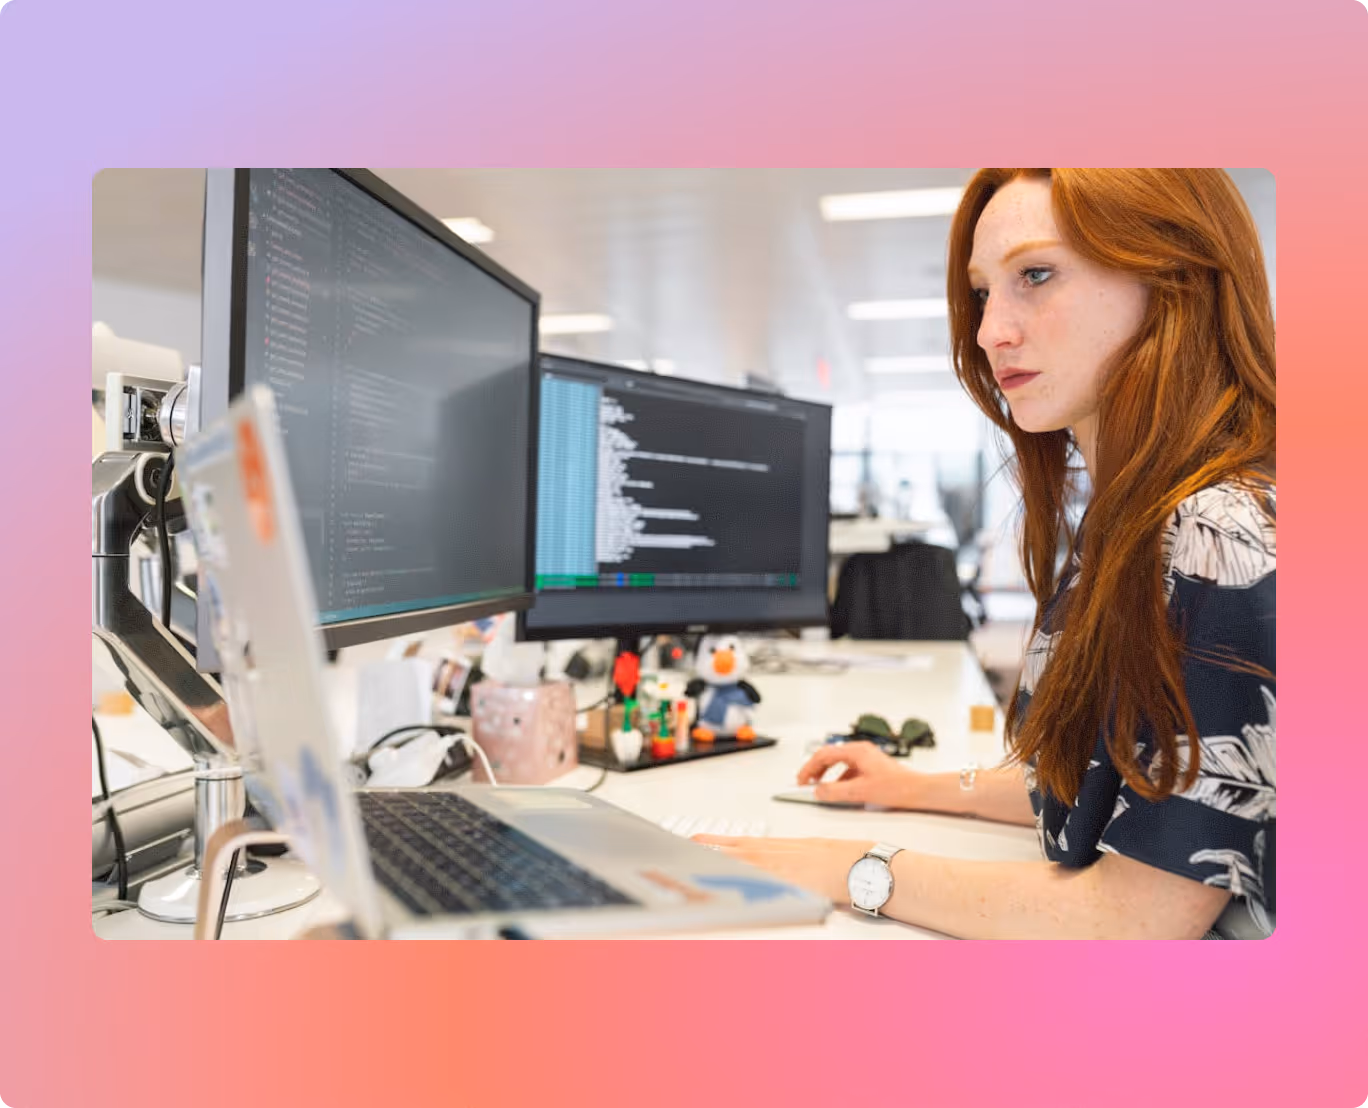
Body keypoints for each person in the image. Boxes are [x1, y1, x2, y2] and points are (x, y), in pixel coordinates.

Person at [697, 169, 1276, 939]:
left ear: (1173, 280)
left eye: (1036, 275)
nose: (988, 330)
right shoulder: (1134, 521)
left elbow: (1139, 916)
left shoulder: (1218, 532)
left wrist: (845, 869)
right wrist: (918, 787)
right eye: (982, 293)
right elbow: (1119, 786)